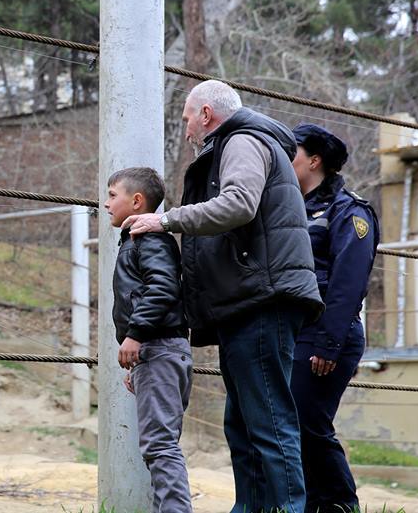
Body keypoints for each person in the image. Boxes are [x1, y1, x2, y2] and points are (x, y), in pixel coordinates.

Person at [125, 80, 324, 513]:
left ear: (206, 115)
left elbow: (239, 203)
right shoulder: (239, 143)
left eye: (186, 121)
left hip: (262, 300)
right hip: (248, 301)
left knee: (269, 421)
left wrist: (165, 222)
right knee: (243, 424)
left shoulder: (242, 141)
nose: (186, 131)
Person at [289, 123, 379, 512]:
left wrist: (329, 342)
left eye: (291, 152)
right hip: (296, 330)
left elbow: (348, 282)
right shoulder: (290, 207)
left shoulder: (350, 211)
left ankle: (341, 504)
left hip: (329, 333)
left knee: (309, 422)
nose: (283, 159)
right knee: (294, 423)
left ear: (314, 159)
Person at [105, 166, 192, 512]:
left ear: (137, 201)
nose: (107, 203)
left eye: (113, 195)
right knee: (159, 444)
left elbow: (163, 288)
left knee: (160, 446)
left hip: (158, 347)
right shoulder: (137, 241)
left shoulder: (149, 239)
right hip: (157, 352)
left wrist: (136, 335)